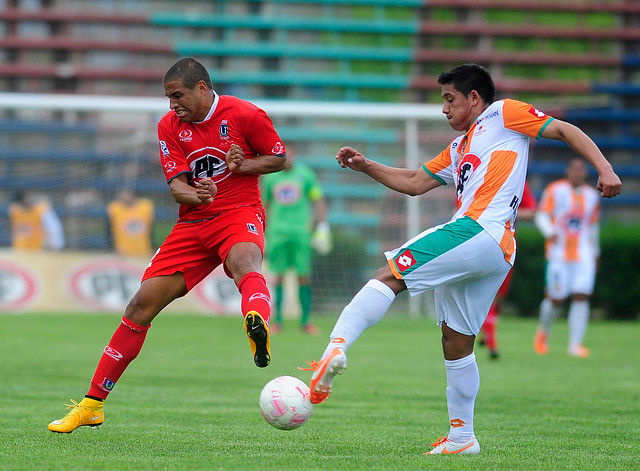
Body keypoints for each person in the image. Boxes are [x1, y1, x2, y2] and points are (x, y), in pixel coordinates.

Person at [301, 64, 621, 455]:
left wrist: (603, 167)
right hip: (497, 247)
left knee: (389, 275)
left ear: (473, 97)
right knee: (456, 342)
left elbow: (564, 129)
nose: (444, 110)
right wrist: (366, 165)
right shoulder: (460, 147)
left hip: (479, 229)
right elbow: (416, 183)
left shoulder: (502, 114)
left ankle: (335, 347)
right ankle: (462, 438)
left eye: (449, 100)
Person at [48, 57, 287, 433]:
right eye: (167, 97)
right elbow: (176, 185)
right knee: (140, 305)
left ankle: (257, 324)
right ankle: (92, 405)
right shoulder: (169, 126)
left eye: (177, 96)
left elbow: (279, 158)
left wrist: (243, 167)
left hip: (239, 212)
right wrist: (197, 194)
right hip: (193, 224)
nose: (172, 104)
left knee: (245, 263)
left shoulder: (244, 114)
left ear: (202, 89)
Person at [533, 158, 600, 358]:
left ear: (585, 173)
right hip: (558, 252)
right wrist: (549, 231)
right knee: (555, 299)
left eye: (581, 170)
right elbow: (541, 214)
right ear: (568, 170)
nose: (578, 173)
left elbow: (593, 226)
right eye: (574, 169)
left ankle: (575, 344)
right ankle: (544, 331)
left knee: (581, 295)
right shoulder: (555, 190)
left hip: (583, 253)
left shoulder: (591, 196)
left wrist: (596, 253)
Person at [262, 144, 331, 335]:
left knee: (304, 276)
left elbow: (317, 198)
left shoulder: (306, 174)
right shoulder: (270, 177)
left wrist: (322, 224)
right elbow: (264, 204)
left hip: (301, 232)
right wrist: (262, 229)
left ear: (295, 155)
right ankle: (277, 321)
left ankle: (305, 321)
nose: (288, 158)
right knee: (278, 276)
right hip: (277, 232)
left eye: (290, 154)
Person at [479, 181, 536, 359]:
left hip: (506, 246)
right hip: (479, 244)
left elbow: (531, 212)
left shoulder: (516, 178)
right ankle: (491, 343)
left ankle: (485, 331)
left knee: (498, 299)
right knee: (486, 294)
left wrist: (506, 210)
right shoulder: (480, 175)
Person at [107, 189, 155, 256]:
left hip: (144, 252)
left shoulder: (145, 207)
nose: (126, 198)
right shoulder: (116, 209)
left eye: (128, 195)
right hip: (123, 253)